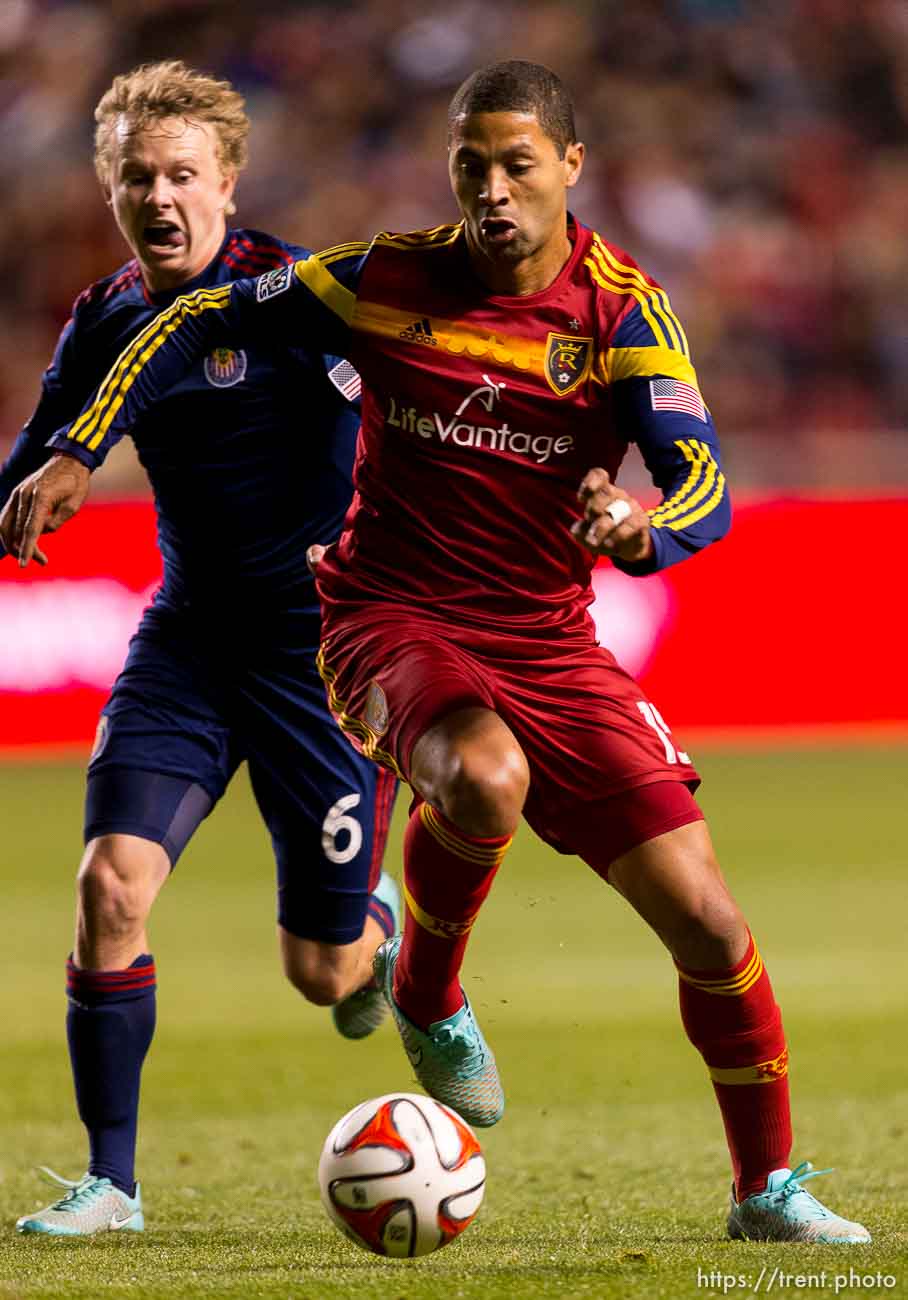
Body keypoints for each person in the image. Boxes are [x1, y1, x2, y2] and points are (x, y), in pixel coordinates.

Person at [6, 60, 870, 1245]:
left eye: (517, 163)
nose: (492, 188)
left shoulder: (621, 314)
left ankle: (763, 1191)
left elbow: (701, 482)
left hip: (545, 635)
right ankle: (422, 997)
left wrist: (643, 529)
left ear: (570, 166)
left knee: (708, 922)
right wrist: (73, 452)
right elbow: (197, 317)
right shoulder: (384, 278)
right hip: (385, 612)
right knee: (477, 776)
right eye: (471, 165)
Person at [0, 61, 399, 1238]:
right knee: (109, 887)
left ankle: (383, 935)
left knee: (320, 973)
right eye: (138, 178)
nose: (162, 197)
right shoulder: (104, 314)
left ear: (228, 182)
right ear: (110, 191)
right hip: (186, 644)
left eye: (183, 175)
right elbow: (39, 450)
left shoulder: (300, 299)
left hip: (314, 662)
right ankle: (112, 1185)